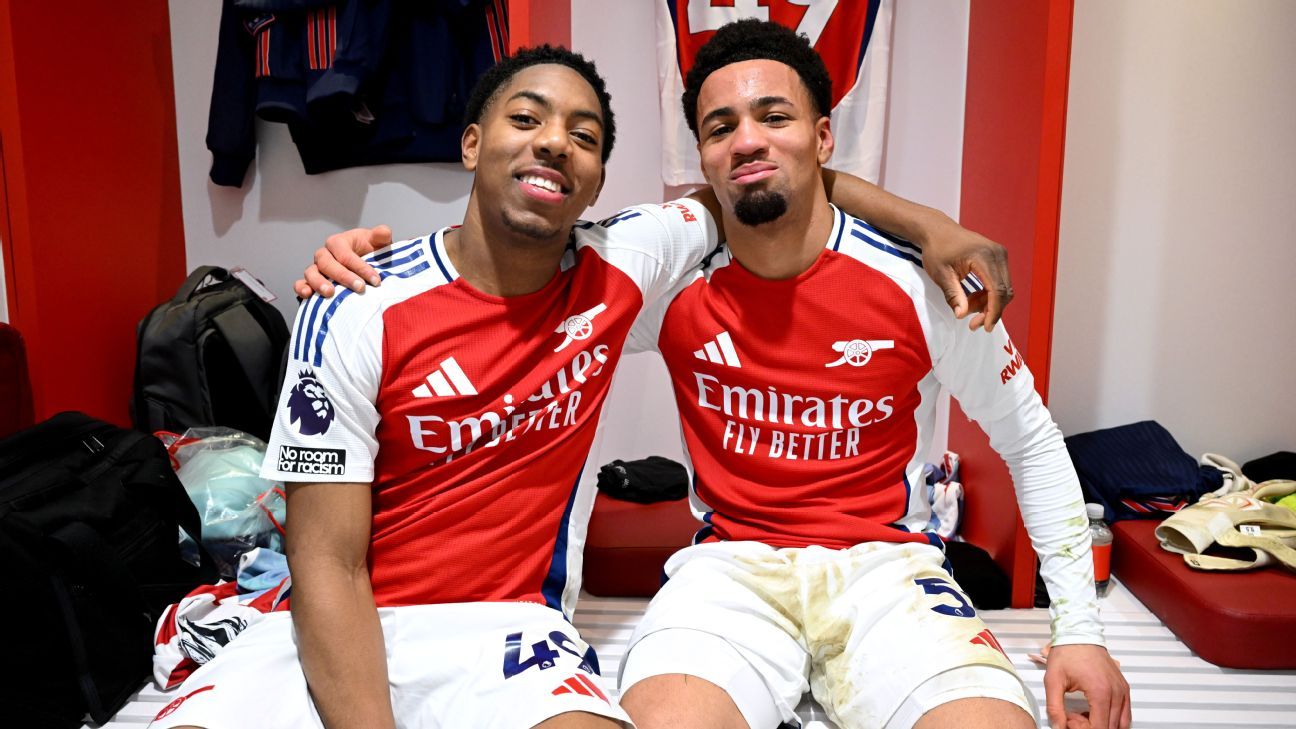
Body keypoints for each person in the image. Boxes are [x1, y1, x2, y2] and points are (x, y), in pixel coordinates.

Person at [159, 41, 1011, 729]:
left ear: (597, 181)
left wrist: (930, 226)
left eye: (585, 136)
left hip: (506, 627)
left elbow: (768, 174)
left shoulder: (624, 259)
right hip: (335, 618)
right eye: (526, 118)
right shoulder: (355, 303)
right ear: (471, 143)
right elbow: (326, 560)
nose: (553, 142)